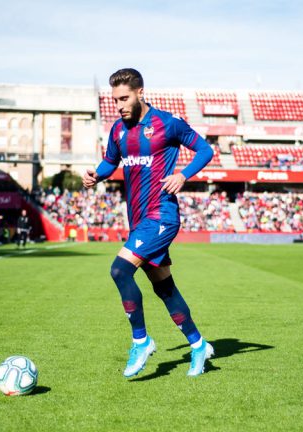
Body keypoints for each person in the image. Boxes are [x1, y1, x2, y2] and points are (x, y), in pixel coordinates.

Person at [83, 68, 215, 378]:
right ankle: (198, 345)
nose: (119, 105)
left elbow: (205, 149)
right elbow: (110, 162)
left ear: (141, 93)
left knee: (119, 270)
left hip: (161, 217)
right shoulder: (117, 131)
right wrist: (96, 174)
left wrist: (183, 175)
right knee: (164, 287)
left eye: (124, 98)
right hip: (138, 220)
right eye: (115, 100)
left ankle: (141, 341)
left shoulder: (167, 124)